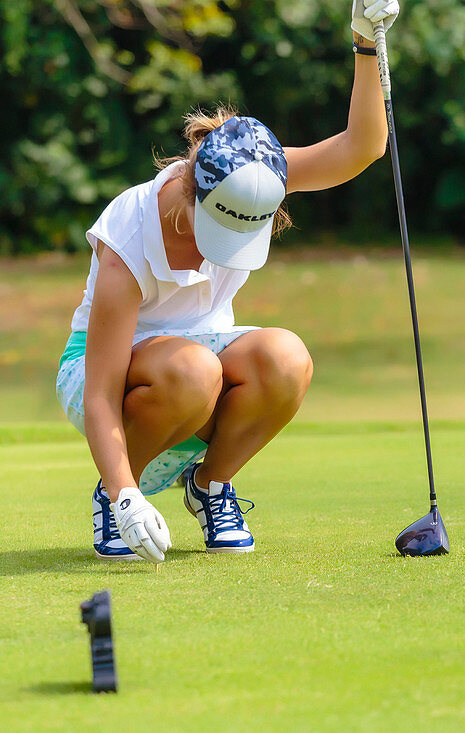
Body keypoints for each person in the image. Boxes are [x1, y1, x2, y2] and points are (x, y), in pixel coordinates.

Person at [55, 0, 401, 561]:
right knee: (193, 370)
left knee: (286, 358)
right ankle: (120, 493)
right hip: (100, 372)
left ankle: (210, 485)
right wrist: (123, 494)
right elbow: (98, 394)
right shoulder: (128, 235)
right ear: (192, 190)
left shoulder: (255, 175)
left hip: (201, 360)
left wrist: (365, 43)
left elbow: (361, 149)